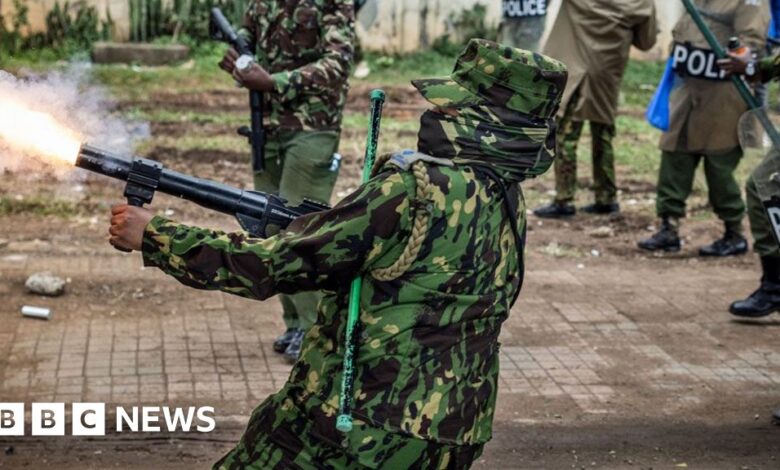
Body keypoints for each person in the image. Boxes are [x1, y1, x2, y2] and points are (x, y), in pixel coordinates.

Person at [107, 39, 567, 469]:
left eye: (449, 106)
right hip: (457, 430)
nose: (434, 113)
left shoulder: (412, 189)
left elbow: (269, 266)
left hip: (366, 428)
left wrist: (155, 236)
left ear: (482, 120)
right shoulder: (506, 197)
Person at [219, 0, 355, 361]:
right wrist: (239, 51)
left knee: (300, 224)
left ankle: (316, 330)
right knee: (270, 226)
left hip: (312, 126)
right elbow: (251, 29)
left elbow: (338, 63)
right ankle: (295, 322)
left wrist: (273, 81)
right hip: (268, 126)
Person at [638, 0, 769, 255]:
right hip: (688, 90)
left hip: (724, 95)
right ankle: (669, 226)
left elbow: (752, 41)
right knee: (674, 157)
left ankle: (734, 232)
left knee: (719, 167)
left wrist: (743, 55)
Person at [534, 0, 657, 218]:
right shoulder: (642, 3)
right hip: (607, 72)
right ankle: (606, 196)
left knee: (565, 135)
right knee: (603, 133)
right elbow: (646, 42)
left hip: (577, 68)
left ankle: (564, 198)